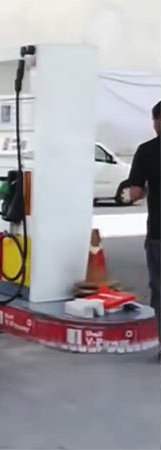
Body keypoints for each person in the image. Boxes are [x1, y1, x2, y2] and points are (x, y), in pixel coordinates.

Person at [127, 100, 160, 358]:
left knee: (159, 289)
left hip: (158, 234)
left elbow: (135, 192)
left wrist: (139, 191)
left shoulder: (146, 151)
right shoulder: (146, 150)